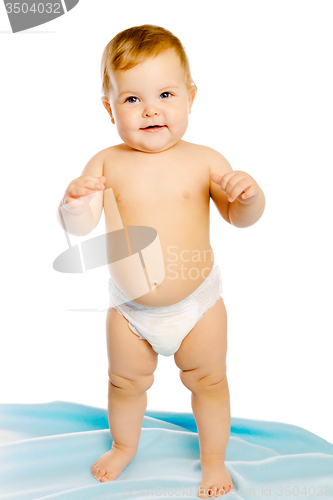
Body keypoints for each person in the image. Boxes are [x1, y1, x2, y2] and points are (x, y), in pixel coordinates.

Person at [57, 24, 265, 498]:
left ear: (191, 98)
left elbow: (239, 217)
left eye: (166, 93)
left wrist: (249, 197)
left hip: (199, 306)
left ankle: (213, 460)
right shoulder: (105, 162)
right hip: (131, 311)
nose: (151, 109)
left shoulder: (203, 159)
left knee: (210, 381)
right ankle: (124, 444)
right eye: (131, 100)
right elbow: (82, 222)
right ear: (110, 110)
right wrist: (74, 202)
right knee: (124, 383)